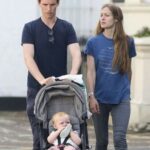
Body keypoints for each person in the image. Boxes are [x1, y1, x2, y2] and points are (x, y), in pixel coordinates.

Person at [21, 0, 81, 149]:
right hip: (36, 89)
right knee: (38, 136)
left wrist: (72, 76)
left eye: (52, 4)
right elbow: (28, 57)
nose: (49, 8)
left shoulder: (67, 27)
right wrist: (42, 80)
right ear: (39, 4)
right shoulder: (30, 28)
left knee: (63, 133)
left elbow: (76, 54)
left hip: (61, 90)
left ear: (58, 4)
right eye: (45, 4)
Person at [84, 4, 136, 150]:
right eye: (101, 15)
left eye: (107, 15)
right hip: (99, 99)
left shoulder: (128, 42)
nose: (102, 18)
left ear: (117, 19)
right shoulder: (93, 42)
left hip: (121, 98)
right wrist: (91, 96)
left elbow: (128, 69)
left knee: (120, 139)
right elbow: (91, 71)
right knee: (102, 142)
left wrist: (125, 91)